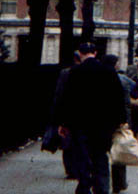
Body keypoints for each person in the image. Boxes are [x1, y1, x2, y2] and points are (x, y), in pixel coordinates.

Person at [55, 42, 126, 194]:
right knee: (100, 156)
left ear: (80, 54)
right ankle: (101, 188)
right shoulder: (108, 71)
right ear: (95, 53)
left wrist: (63, 123)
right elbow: (118, 98)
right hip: (103, 125)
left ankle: (84, 186)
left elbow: (67, 99)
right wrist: (121, 121)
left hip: (80, 124)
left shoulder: (75, 72)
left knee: (82, 156)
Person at [102, 54, 134, 194]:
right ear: (115, 64)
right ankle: (119, 183)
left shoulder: (99, 78)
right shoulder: (123, 80)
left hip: (101, 122)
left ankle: (102, 183)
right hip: (118, 121)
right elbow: (126, 101)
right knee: (119, 152)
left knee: (101, 154)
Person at [52, 51, 82, 180]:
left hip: (68, 112)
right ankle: (79, 168)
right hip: (82, 113)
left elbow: (59, 94)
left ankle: (70, 170)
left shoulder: (65, 73)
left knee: (68, 142)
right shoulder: (87, 72)